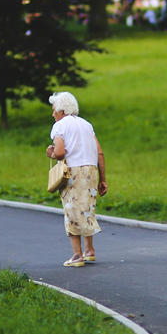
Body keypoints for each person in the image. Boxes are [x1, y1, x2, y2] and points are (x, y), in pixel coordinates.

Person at [45, 92, 108, 268]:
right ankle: (89, 251)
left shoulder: (59, 126)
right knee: (86, 209)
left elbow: (59, 153)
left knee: (71, 211)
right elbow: (100, 153)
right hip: (91, 170)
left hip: (72, 172)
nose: (52, 114)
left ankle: (76, 256)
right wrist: (103, 179)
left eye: (54, 110)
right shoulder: (87, 124)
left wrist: (51, 153)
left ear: (61, 110)